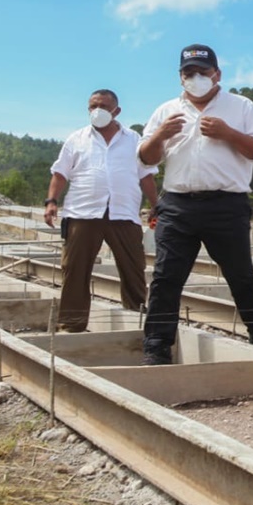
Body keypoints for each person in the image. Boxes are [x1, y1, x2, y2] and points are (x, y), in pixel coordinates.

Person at [138, 45, 253, 365]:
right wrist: (159, 135)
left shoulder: (240, 106)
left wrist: (228, 133)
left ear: (217, 74)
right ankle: (157, 346)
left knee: (241, 275)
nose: (196, 78)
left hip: (226, 204)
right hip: (177, 205)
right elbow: (146, 159)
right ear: (180, 77)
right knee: (166, 276)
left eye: (203, 72)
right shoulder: (166, 111)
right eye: (189, 73)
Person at [44, 89, 159, 332]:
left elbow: (146, 176)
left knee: (133, 268)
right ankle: (71, 324)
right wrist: (51, 201)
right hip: (83, 213)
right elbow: (60, 173)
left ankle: (137, 321)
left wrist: (156, 205)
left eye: (104, 106)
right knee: (75, 269)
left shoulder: (133, 139)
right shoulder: (77, 139)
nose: (97, 111)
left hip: (123, 212)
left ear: (116, 111)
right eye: (93, 106)